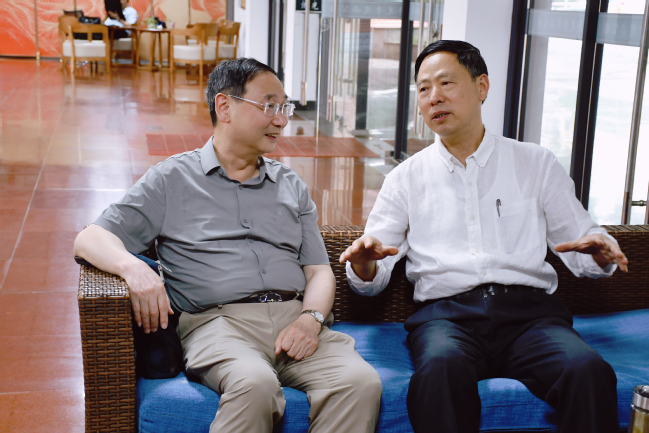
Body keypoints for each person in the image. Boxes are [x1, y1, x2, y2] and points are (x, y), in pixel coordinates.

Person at [74, 58, 382, 433]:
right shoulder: (172, 179)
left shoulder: (291, 184)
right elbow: (90, 237)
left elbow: (318, 270)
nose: (282, 120)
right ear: (225, 107)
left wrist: (310, 320)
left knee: (359, 383)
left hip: (296, 320)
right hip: (217, 326)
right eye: (269, 106)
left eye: (284, 107)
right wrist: (134, 268)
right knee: (255, 385)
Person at [340, 40, 628, 433]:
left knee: (587, 370)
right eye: (423, 88)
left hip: (531, 318)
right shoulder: (405, 178)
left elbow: (583, 242)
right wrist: (364, 263)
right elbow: (371, 277)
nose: (434, 97)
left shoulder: (535, 163)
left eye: (446, 83)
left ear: (482, 87)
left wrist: (600, 252)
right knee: (439, 371)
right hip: (447, 320)